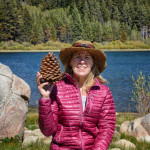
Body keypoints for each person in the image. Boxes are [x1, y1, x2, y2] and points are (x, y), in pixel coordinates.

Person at [36, 40, 116, 150]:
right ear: (70, 62)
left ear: (93, 63)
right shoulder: (57, 88)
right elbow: (47, 131)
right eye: (77, 57)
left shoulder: (104, 92)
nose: (82, 61)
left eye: (87, 57)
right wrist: (45, 98)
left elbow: (107, 129)